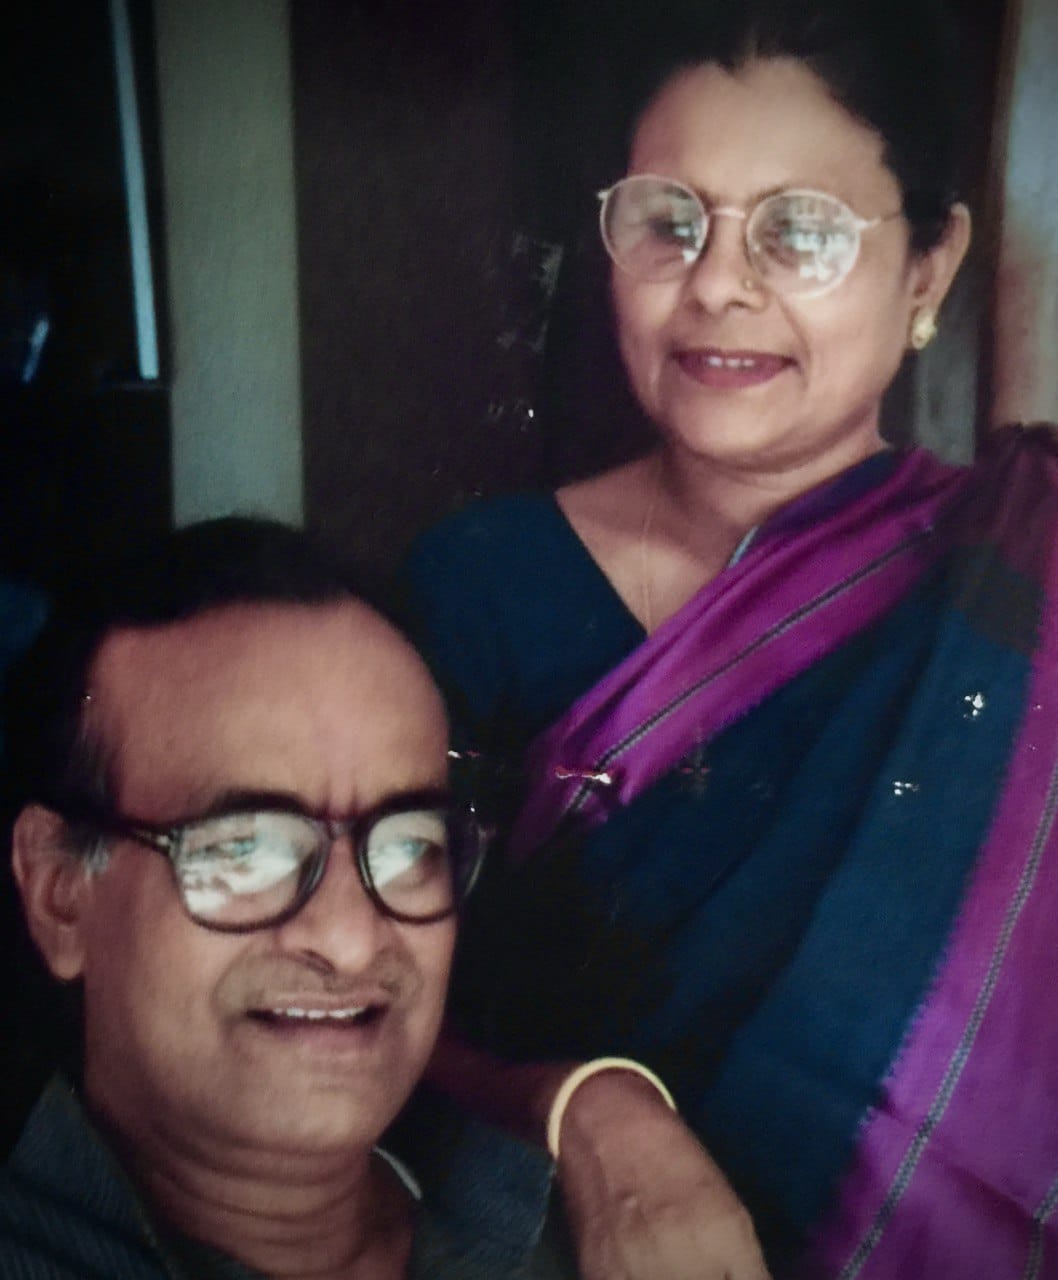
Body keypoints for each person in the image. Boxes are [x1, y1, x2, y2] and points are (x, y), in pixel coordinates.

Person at [400, 1, 1058, 1277]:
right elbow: (366, 985)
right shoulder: (478, 586)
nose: (713, 283)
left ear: (927, 267)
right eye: (667, 220)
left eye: (798, 230)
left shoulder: (1015, 586)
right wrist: (584, 1108)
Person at [0, 518, 554, 1279]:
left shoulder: (584, 1218)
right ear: (60, 894)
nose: (350, 940)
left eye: (406, 846)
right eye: (243, 849)